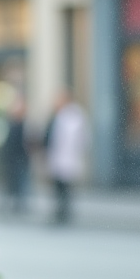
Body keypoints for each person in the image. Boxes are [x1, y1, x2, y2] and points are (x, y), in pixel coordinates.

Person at [44, 90, 89, 225]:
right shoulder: (60, 116)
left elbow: (82, 140)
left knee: (65, 187)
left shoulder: (74, 116)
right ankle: (60, 211)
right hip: (59, 158)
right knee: (58, 187)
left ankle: (64, 212)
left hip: (68, 158)